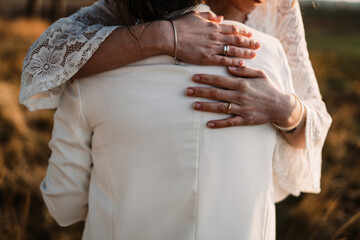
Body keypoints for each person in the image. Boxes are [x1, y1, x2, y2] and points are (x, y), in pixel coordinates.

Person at [40, 1, 311, 239]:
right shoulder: (271, 55)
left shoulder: (88, 71)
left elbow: (63, 204)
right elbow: (273, 179)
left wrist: (116, 201)